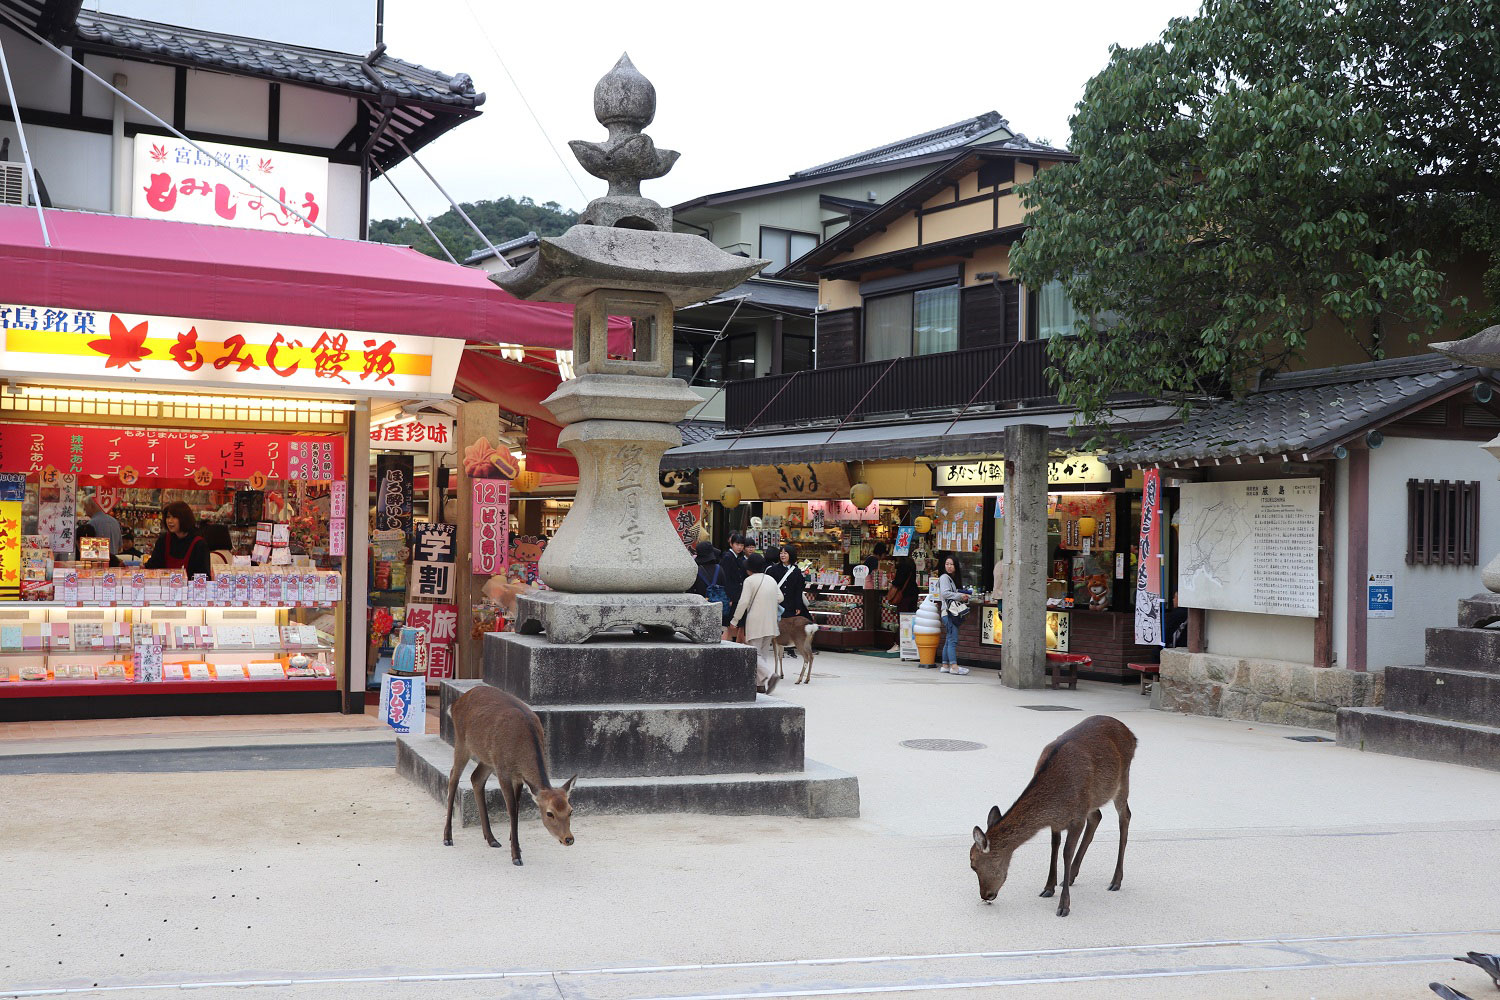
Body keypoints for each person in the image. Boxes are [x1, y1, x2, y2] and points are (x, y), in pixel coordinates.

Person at [729, 553, 783, 694]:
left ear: (749, 568)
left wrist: (735, 620)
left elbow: (743, 602)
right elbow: (780, 597)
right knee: (763, 653)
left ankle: (770, 675)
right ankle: (759, 685)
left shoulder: (749, 581)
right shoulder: (770, 579)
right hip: (770, 621)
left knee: (754, 653)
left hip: (755, 621)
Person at [145, 500, 211, 579]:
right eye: (168, 517)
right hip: (165, 588)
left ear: (184, 518)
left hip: (189, 589)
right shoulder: (164, 540)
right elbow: (153, 565)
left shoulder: (199, 544)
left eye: (174, 517)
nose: (170, 521)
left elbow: (203, 576)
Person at [933, 554, 971, 675]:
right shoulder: (944, 577)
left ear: (956, 566)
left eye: (951, 564)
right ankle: (954, 666)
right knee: (953, 640)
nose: (949, 566)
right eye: (947, 564)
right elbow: (945, 594)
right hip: (949, 613)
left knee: (949, 640)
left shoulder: (951, 579)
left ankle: (945, 664)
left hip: (947, 613)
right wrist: (960, 596)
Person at [718, 533, 748, 638]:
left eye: (742, 545)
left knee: (736, 623)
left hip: (737, 595)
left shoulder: (739, 558)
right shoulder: (728, 557)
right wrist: (729, 597)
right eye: (737, 544)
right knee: (729, 623)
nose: (739, 547)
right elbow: (726, 579)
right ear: (731, 544)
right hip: (731, 595)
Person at [766, 544, 808, 619]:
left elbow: (798, 590)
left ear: (791, 554)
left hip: (791, 606)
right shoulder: (772, 570)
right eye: (781, 553)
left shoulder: (796, 571)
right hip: (776, 605)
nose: (782, 555)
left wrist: (798, 606)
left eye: (785, 553)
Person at [83, 497, 123, 561]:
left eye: (85, 507)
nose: (84, 509)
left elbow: (88, 549)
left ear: (91, 506)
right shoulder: (115, 521)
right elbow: (120, 546)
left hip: (99, 563)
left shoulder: (92, 523)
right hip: (115, 562)